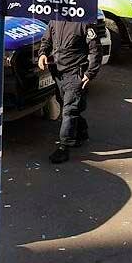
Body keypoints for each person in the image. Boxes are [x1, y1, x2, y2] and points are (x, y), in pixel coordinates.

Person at [38, 19, 102, 164]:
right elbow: (47, 40)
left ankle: (64, 147)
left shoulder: (84, 23)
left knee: (69, 110)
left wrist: (90, 73)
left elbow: (95, 49)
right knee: (64, 103)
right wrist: (42, 53)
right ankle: (81, 130)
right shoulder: (55, 20)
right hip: (58, 72)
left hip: (75, 72)